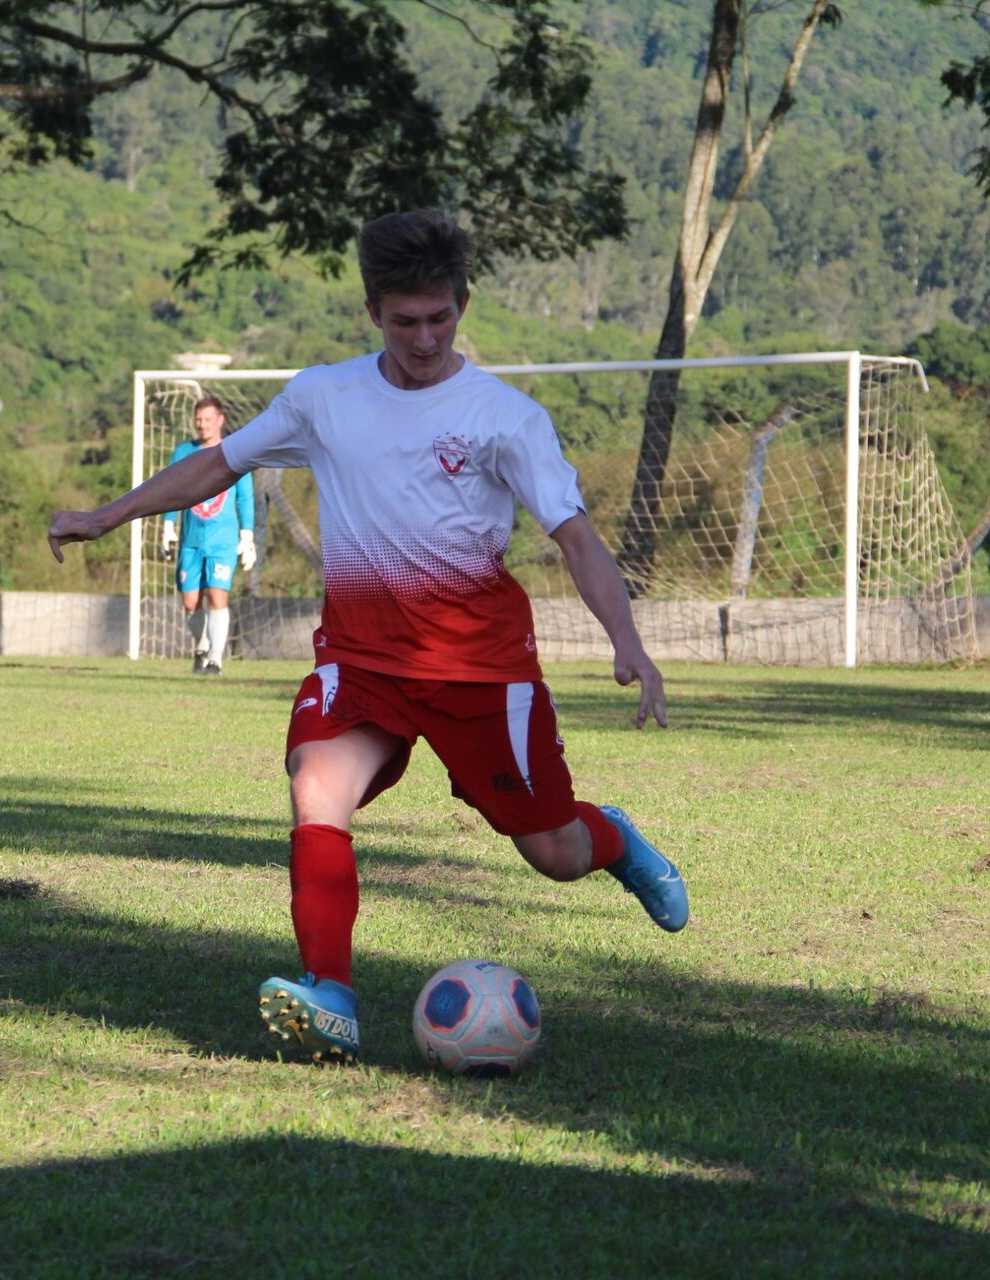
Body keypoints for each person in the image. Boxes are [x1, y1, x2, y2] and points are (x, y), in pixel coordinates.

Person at [49, 210, 688, 1064]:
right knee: (316, 788)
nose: (424, 339)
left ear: (462, 304)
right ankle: (333, 998)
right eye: (404, 321)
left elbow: (575, 537)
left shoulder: (506, 417)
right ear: (372, 312)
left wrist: (629, 642)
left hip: (480, 673)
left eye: (440, 318)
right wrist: (108, 513)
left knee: (552, 852)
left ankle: (610, 835)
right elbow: (221, 463)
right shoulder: (324, 397)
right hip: (362, 662)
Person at [160, 397, 255, 675]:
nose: (202, 424)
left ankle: (215, 659)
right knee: (190, 602)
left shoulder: (235, 452)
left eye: (208, 419)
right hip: (191, 540)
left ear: (220, 420)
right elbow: (168, 490)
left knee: (217, 595)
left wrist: (247, 535)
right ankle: (201, 646)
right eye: (199, 419)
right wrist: (168, 525)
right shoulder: (182, 452)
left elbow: (245, 496)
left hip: (222, 541)